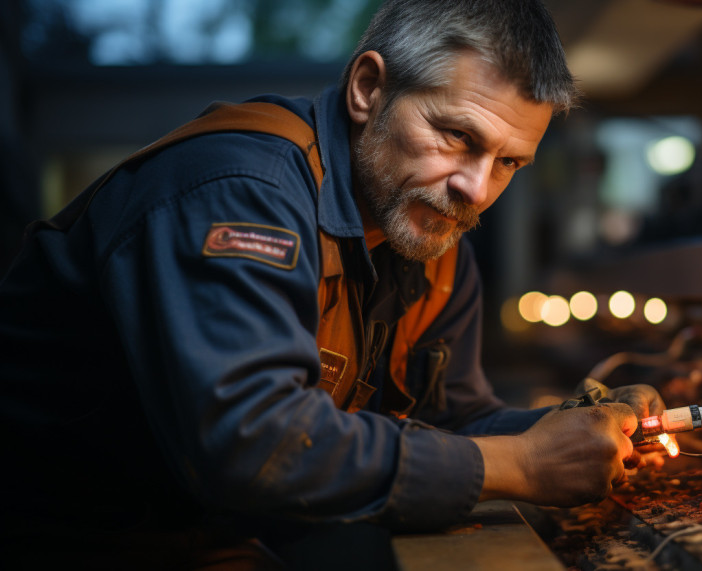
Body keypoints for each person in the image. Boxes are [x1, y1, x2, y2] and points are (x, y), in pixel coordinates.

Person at [0, 0, 664, 567]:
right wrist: (522, 464)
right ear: (368, 89)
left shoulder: (429, 233)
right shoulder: (241, 193)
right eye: (457, 135)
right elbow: (254, 441)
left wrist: (571, 428)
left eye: (510, 162)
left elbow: (453, 420)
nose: (476, 189)